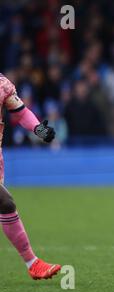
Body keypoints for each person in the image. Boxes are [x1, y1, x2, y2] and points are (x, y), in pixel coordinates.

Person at [0, 74, 61, 280]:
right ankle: (33, 263)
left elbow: (20, 112)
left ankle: (33, 264)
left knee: (4, 205)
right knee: (5, 202)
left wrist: (38, 128)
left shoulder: (2, 84)